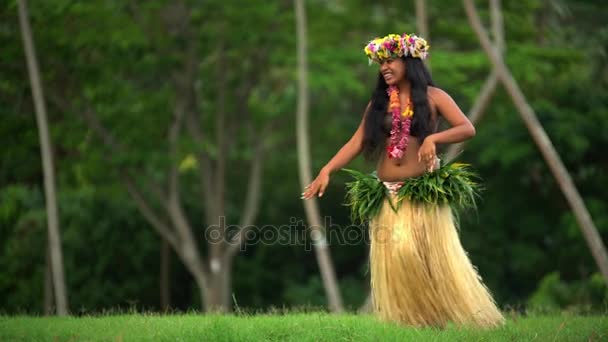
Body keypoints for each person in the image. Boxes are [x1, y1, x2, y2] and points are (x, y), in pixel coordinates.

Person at [301, 33, 505, 328]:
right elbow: (357, 141)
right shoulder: (378, 104)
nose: (384, 67)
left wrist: (434, 138)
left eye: (390, 60)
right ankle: (418, 320)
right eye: (380, 62)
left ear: (410, 61)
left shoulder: (435, 97)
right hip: (388, 195)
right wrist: (326, 170)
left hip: (420, 193)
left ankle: (441, 314)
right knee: (397, 259)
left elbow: (466, 128)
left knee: (416, 253)